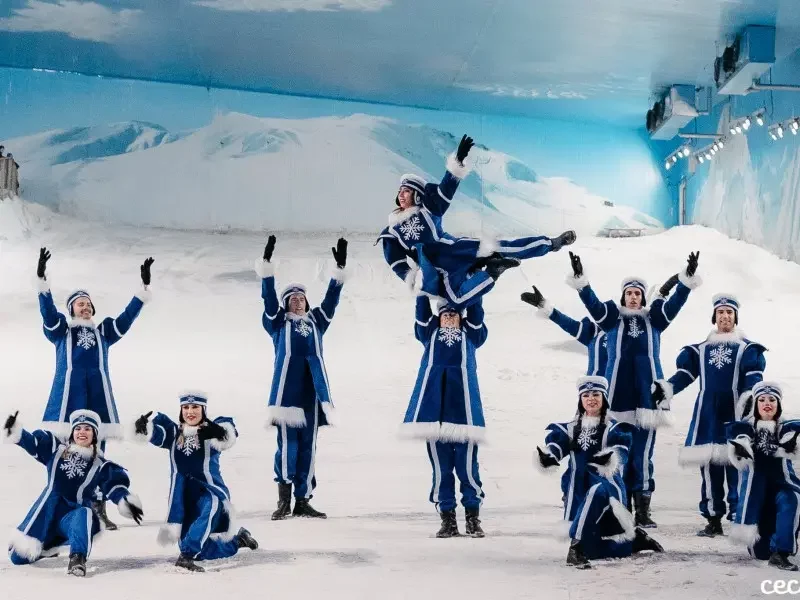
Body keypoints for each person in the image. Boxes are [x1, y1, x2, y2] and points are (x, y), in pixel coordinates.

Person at [565, 250, 701, 527]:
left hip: (648, 397)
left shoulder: (655, 320)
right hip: (617, 397)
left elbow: (675, 302)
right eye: (629, 293)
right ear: (623, 296)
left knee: (643, 455)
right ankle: (620, 503)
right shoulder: (611, 319)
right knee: (618, 453)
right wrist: (581, 281)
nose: (634, 297)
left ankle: (643, 510)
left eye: (638, 293)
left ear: (643, 298)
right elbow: (593, 305)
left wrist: (686, 280)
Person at [377, 134, 576, 311]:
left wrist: (457, 161)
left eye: (407, 191)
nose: (401, 195)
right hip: (438, 268)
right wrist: (414, 278)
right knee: (455, 299)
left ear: (417, 195)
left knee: (504, 248)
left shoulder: (429, 210)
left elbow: (445, 190)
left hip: (454, 249)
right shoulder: (392, 232)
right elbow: (396, 262)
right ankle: (492, 271)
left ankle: (551, 243)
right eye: (400, 191)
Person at [35, 247, 153, 530]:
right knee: (67, 452)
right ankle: (64, 506)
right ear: (72, 309)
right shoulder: (62, 331)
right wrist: (42, 283)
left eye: (88, 304)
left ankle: (97, 507)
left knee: (97, 452)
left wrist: (142, 290)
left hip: (98, 398)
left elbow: (126, 318)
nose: (85, 307)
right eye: (79, 304)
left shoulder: (104, 332)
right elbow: (48, 313)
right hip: (68, 399)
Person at [653, 293, 766, 536]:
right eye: (720, 312)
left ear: (735, 317)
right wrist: (668, 388)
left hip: (736, 410)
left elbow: (753, 378)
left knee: (738, 464)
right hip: (707, 412)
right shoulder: (699, 350)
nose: (725, 316)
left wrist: (749, 398)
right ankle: (713, 519)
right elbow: (685, 375)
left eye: (729, 312)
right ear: (714, 317)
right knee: (709, 467)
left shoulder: (747, 349)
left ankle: (739, 515)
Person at [256, 235, 347, 520]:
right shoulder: (277, 324)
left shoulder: (317, 322)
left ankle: (302, 499)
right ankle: (283, 500)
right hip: (286, 396)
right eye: (293, 299)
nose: (298, 302)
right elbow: (269, 300)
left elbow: (331, 302)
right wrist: (267, 268)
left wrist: (338, 273)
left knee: (308, 448)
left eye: (301, 298)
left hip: (312, 396)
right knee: (289, 448)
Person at [536, 376, 663, 569]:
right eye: (586, 395)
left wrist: (610, 457)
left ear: (604, 398)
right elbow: (556, 446)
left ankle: (575, 548)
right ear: (580, 400)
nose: (591, 399)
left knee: (597, 490)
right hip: (579, 487)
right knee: (595, 550)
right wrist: (549, 456)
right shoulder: (569, 429)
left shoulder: (614, 427)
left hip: (607, 484)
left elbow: (621, 449)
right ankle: (634, 541)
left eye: (596, 394)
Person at [2, 409, 143, 577]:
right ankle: (45, 548)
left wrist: (125, 500)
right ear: (72, 432)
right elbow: (33, 443)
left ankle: (77, 558)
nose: (81, 432)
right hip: (46, 513)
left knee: (85, 513)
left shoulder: (100, 465)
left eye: (87, 429)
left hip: (71, 518)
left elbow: (114, 487)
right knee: (17, 557)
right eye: (78, 428)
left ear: (94, 435)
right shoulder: (56, 451)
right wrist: (16, 430)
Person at [132, 392, 258, 572]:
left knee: (212, 506)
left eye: (195, 407)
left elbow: (228, 435)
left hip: (210, 491)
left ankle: (186, 557)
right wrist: (144, 428)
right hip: (183, 498)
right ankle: (239, 541)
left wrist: (220, 431)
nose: (190, 412)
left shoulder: (210, 432)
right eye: (186, 408)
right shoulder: (174, 434)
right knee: (204, 552)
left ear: (203, 410)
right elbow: (158, 435)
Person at [402, 296, 488, 537]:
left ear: (462, 319)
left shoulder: (471, 335)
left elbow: (477, 312)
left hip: (465, 414)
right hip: (435, 414)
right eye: (445, 315)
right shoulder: (429, 333)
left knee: (468, 469)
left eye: (454, 315)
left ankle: (473, 518)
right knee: (441, 470)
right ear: (438, 319)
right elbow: (420, 310)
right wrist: (420, 285)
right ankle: (447, 519)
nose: (449, 318)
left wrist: (474, 287)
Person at [726, 381, 800, 571]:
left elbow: (792, 435)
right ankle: (769, 548)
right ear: (756, 404)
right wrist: (741, 449)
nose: (767, 403)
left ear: (778, 404)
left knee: (792, 499)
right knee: (760, 552)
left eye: (772, 399)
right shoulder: (746, 428)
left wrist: (790, 444)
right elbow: (741, 437)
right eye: (762, 400)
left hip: (782, 486)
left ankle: (782, 553)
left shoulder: (786, 427)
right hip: (756, 494)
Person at [521, 284, 607, 377]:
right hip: (592, 389)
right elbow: (570, 325)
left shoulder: (624, 337)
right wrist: (544, 306)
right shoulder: (598, 334)